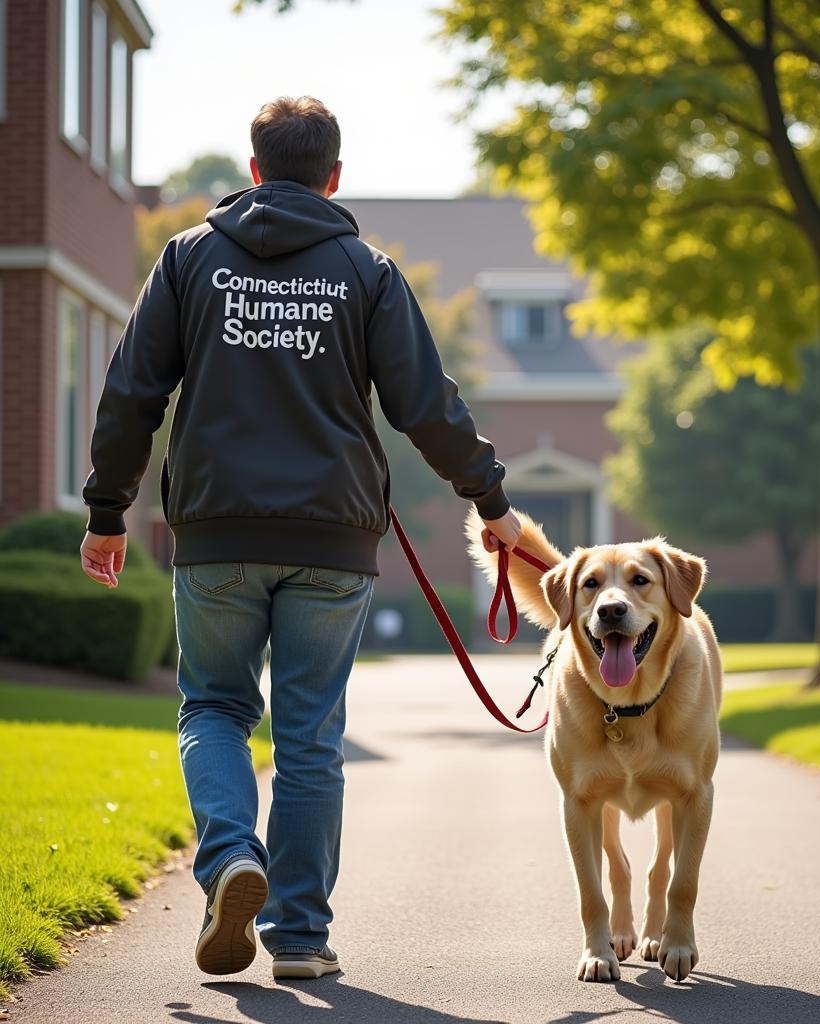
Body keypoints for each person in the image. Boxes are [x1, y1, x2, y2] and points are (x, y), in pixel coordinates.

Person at [79, 95, 522, 981]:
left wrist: (107, 510)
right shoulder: (366, 271)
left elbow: (133, 392)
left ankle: (230, 859)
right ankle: (299, 938)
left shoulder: (187, 260)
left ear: (252, 171)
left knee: (213, 707)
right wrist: (490, 498)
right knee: (312, 736)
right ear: (334, 176)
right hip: (333, 541)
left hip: (216, 533)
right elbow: (425, 406)